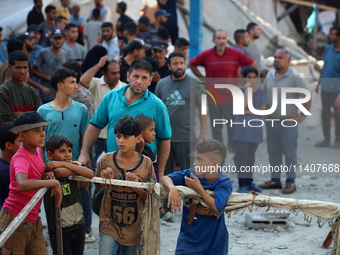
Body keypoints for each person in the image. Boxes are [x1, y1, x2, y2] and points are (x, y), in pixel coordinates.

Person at [78, 59, 171, 179]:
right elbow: (95, 125)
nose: (139, 81)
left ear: (150, 81)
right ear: (128, 76)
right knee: (105, 196)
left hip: (142, 171)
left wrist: (161, 172)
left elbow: (164, 139)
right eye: (135, 76)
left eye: (144, 78)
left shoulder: (158, 105)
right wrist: (84, 153)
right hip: (111, 169)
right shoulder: (111, 96)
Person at [37, 67, 93, 242]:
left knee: (80, 204)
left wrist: (84, 158)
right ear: (60, 85)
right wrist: (42, 167)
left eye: (76, 82)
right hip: (51, 170)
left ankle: (85, 231)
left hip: (75, 169)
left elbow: (85, 139)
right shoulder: (43, 111)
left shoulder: (81, 109)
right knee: (55, 206)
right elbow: (39, 144)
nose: (76, 86)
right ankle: (57, 236)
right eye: (72, 82)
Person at [0, 111, 62, 255]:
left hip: (33, 218)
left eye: (42, 129)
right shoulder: (20, 158)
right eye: (36, 130)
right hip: (16, 217)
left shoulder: (38, 151)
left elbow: (36, 175)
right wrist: (52, 184)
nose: (42, 134)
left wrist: (46, 175)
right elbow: (22, 184)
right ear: (22, 135)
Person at [96, 116, 156, 255]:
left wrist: (135, 185)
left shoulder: (146, 163)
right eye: (118, 136)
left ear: (138, 137)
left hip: (134, 227)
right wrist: (104, 179)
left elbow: (152, 196)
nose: (121, 141)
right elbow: (98, 187)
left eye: (126, 137)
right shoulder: (106, 160)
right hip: (109, 222)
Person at [161, 139, 233, 255]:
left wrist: (199, 188)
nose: (194, 163)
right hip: (188, 242)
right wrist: (172, 188)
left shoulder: (223, 182)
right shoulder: (191, 174)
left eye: (200, 159)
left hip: (213, 245)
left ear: (214, 164)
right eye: (195, 158)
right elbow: (165, 178)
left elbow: (217, 207)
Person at [188, 29, 255, 152]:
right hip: (213, 98)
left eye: (224, 38)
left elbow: (251, 63)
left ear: (227, 40)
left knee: (232, 125)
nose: (221, 41)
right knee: (216, 127)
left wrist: (244, 80)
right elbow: (191, 64)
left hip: (231, 97)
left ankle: (234, 147)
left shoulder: (235, 54)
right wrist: (202, 78)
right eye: (218, 38)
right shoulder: (206, 55)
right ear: (213, 40)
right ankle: (219, 150)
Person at [258, 49, 311, 194]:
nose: (276, 60)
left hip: (287, 122)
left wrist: (302, 117)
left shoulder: (294, 77)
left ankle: (290, 182)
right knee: (273, 152)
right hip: (272, 122)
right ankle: (275, 180)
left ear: (288, 60)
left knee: (289, 153)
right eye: (275, 57)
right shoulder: (269, 75)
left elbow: (307, 96)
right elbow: (264, 95)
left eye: (280, 57)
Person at [155, 51, 207, 175]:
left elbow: (203, 111)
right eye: (175, 63)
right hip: (164, 137)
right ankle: (167, 195)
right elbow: (156, 111)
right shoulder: (161, 84)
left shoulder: (197, 84)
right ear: (169, 66)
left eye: (181, 63)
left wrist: (202, 135)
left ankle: (188, 195)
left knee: (189, 173)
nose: (179, 66)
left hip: (187, 137)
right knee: (165, 173)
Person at [44, 135, 94, 255]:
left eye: (70, 151)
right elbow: (59, 172)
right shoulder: (49, 170)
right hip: (59, 229)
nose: (67, 154)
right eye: (62, 151)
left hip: (79, 225)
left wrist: (67, 165)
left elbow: (90, 173)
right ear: (50, 155)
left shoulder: (73, 165)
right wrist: (75, 167)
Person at [80, 57, 125, 168]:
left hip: (116, 137)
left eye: (118, 72)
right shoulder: (95, 83)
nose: (117, 76)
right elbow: (83, 81)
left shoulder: (124, 87)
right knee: (89, 168)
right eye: (113, 73)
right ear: (104, 73)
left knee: (114, 168)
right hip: (97, 136)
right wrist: (99, 64)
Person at [232, 66, 266, 193]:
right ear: (244, 78)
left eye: (254, 77)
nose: (251, 80)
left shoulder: (261, 92)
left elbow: (263, 110)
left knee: (251, 157)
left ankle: (249, 182)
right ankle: (241, 185)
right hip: (242, 131)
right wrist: (247, 90)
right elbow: (240, 109)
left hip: (255, 130)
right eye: (249, 77)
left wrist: (248, 111)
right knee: (242, 158)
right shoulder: (240, 91)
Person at [315, 27, 340, 149]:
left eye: (333, 34)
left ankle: (338, 140)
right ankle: (327, 138)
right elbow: (325, 67)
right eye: (331, 34)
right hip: (325, 88)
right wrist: (318, 83)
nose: (331, 36)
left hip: (337, 90)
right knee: (325, 113)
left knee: (337, 115)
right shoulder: (328, 49)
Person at [0, 51, 41, 124]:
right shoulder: (3, 91)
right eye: (18, 68)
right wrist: (30, 116)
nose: (22, 71)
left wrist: (17, 114)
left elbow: (40, 116)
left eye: (25, 67)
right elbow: (6, 120)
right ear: (9, 67)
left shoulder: (32, 91)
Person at [33, 28, 68, 103]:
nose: (58, 40)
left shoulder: (65, 54)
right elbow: (34, 71)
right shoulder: (43, 53)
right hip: (47, 93)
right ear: (50, 39)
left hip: (61, 94)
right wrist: (48, 78)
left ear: (63, 39)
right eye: (55, 38)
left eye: (60, 38)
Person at [0, 123, 22, 209]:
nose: (24, 144)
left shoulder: (12, 163)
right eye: (21, 141)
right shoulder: (6, 170)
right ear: (8, 145)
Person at [135, 114, 159, 181]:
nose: (154, 133)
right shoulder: (138, 150)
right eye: (151, 130)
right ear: (140, 132)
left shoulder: (147, 149)